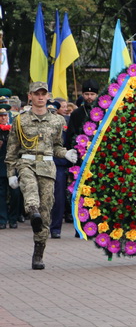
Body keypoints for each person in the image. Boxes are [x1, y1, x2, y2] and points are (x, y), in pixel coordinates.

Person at [5, 82, 78, 269]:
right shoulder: (20, 121)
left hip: (47, 166)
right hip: (26, 163)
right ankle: (32, 211)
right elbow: (12, 149)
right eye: (36, 94)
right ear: (30, 96)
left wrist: (66, 153)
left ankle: (39, 251)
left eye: (43, 94)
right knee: (30, 192)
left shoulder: (57, 121)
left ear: (48, 96)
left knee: (45, 212)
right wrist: (11, 173)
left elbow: (56, 146)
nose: (40, 97)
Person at [46, 100, 70, 239]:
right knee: (43, 198)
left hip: (59, 165)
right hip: (42, 164)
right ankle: (42, 225)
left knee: (59, 197)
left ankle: (56, 228)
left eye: (54, 112)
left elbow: (66, 144)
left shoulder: (63, 125)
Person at [0, 105, 22, 230]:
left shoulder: (13, 130)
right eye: (1, 116)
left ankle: (13, 219)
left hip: (13, 166)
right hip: (1, 165)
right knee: (1, 194)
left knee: (15, 193)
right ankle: (2, 219)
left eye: (4, 116)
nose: (3, 118)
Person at [65, 79, 99, 149]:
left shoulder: (103, 111)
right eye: (87, 94)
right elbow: (70, 136)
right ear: (83, 95)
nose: (89, 97)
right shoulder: (76, 113)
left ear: (97, 95)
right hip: (80, 150)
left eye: (92, 94)